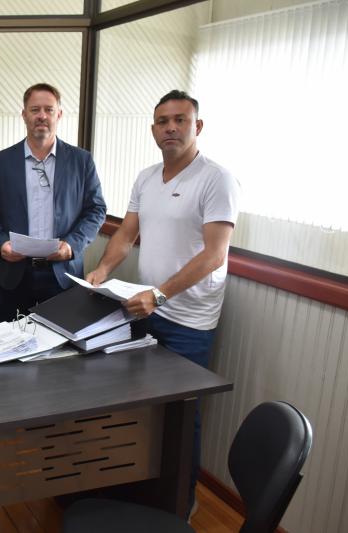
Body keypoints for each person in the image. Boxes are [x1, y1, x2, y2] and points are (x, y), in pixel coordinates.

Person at [86, 89, 240, 516]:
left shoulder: (217, 179)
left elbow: (214, 255)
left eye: (180, 120)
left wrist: (159, 294)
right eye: (162, 121)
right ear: (153, 129)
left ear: (197, 126)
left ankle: (180, 505)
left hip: (188, 321)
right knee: (140, 408)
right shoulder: (146, 177)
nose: (171, 128)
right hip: (145, 310)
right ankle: (140, 492)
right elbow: (126, 234)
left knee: (181, 417)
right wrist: (102, 270)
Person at [0, 83, 106, 323]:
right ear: (24, 115)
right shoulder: (1, 161)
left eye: (49, 109)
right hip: (14, 275)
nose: (42, 116)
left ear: (59, 114)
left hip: (63, 275)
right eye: (35, 109)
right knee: (11, 341)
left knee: (62, 342)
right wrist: (1, 243)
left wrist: (72, 245)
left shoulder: (81, 161)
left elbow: (96, 210)